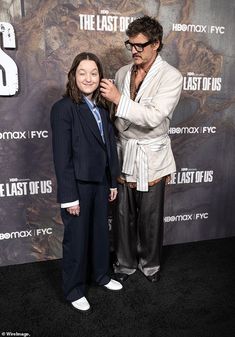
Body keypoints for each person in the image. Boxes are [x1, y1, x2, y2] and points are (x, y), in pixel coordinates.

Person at [100, 16, 183, 283]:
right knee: (122, 215)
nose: (133, 50)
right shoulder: (124, 73)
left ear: (156, 44)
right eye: (130, 45)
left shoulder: (171, 76)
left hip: (152, 156)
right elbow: (117, 115)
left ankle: (151, 265)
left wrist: (118, 99)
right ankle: (124, 264)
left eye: (139, 45)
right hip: (124, 152)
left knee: (150, 217)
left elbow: (153, 117)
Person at [50, 52, 122, 314]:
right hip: (77, 186)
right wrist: (69, 196)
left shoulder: (103, 107)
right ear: (73, 75)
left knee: (101, 235)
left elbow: (109, 149)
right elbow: (62, 156)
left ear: (100, 77)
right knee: (77, 240)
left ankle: (101, 275)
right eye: (83, 72)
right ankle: (73, 289)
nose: (88, 78)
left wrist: (111, 180)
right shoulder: (63, 108)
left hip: (101, 183)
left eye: (94, 73)